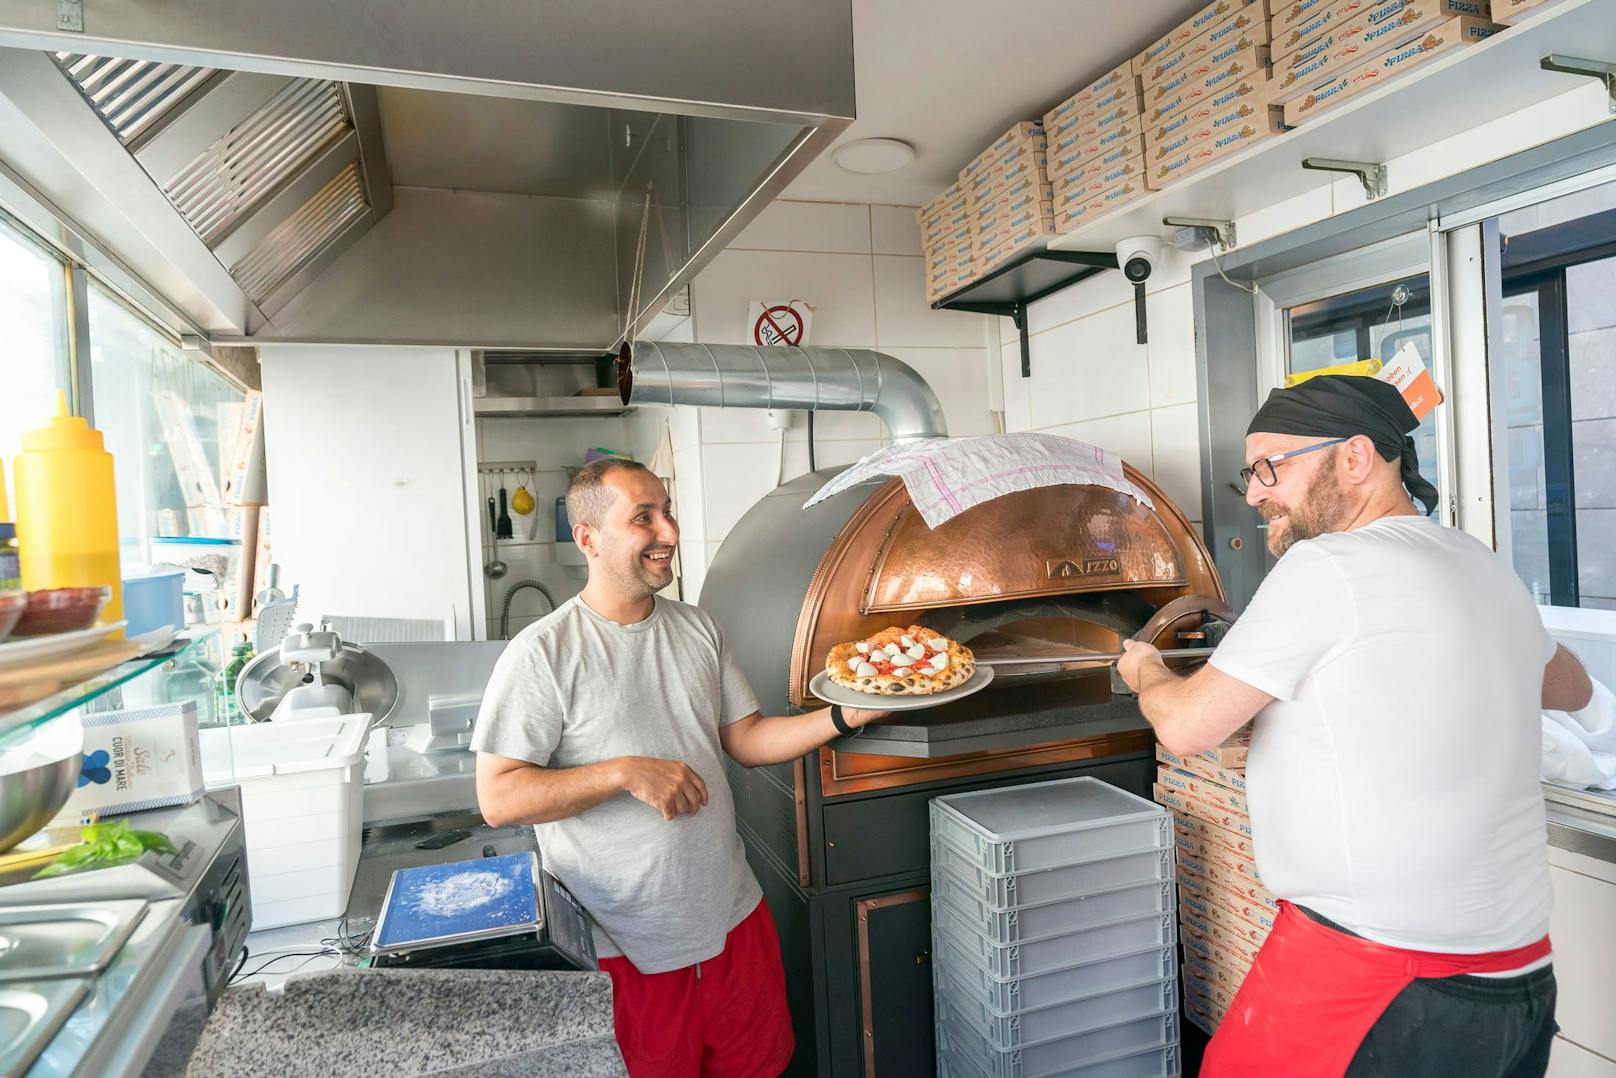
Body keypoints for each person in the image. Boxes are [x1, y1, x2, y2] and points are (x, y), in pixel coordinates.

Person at [1116, 375, 1593, 1078]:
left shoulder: (1329, 565)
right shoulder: (1479, 562)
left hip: (1378, 977)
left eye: (1271, 467)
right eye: (1250, 474)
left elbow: (1187, 727)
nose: (1255, 493)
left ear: (1356, 457)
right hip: (1517, 983)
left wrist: (1148, 672)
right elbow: (1572, 687)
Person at [472, 457, 885, 1078]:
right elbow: (499, 798)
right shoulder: (542, 655)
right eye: (644, 518)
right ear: (588, 538)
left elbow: (746, 738)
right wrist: (621, 771)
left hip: (732, 919)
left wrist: (847, 716)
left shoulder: (697, 628)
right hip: (626, 945)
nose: (668, 532)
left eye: (667, 512)